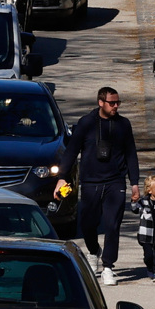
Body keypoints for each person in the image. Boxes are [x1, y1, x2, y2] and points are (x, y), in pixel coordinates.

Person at [54, 86, 140, 286]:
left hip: (115, 181)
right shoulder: (86, 124)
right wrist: (62, 177)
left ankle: (108, 267)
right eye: (112, 103)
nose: (116, 106)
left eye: (118, 102)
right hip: (91, 181)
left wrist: (134, 183)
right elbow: (71, 151)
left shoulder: (123, 125)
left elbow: (131, 155)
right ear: (101, 102)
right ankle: (94, 252)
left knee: (112, 225)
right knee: (88, 224)